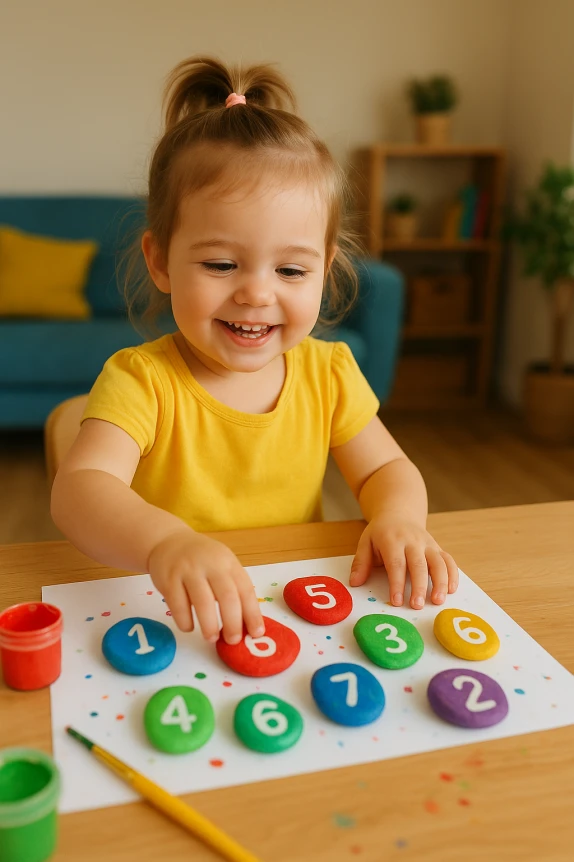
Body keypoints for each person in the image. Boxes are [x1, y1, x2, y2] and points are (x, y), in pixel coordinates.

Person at [51, 55, 459, 646]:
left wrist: (399, 518)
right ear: (160, 261)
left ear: (325, 270)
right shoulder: (141, 379)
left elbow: (385, 469)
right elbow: (80, 489)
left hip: (293, 603)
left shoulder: (329, 372)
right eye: (221, 264)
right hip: (175, 614)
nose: (257, 294)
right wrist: (166, 542)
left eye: (291, 270)